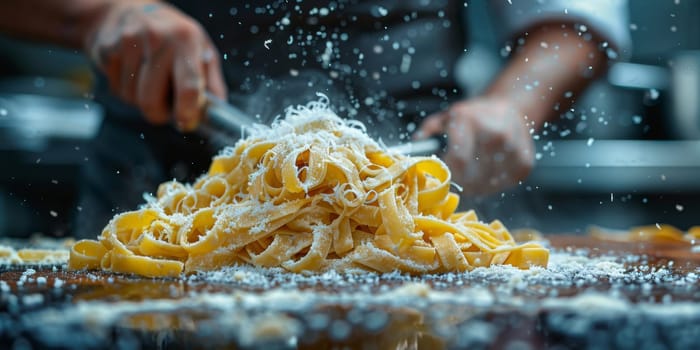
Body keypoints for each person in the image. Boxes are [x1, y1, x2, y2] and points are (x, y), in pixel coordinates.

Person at [0, 0, 629, 237]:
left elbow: (573, 19)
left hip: (411, 192)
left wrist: (510, 106)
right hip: (153, 193)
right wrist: (98, 14)